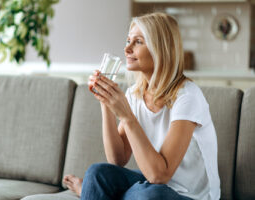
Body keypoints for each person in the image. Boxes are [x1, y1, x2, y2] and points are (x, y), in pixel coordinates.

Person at [63, 12, 220, 200]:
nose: (127, 48)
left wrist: (127, 117)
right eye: (128, 40)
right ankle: (94, 190)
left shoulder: (187, 96)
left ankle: (92, 193)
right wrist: (105, 103)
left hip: (189, 195)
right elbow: (117, 159)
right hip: (151, 187)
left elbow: (159, 176)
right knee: (97, 174)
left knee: (149, 194)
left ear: (160, 49)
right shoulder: (135, 94)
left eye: (137, 42)